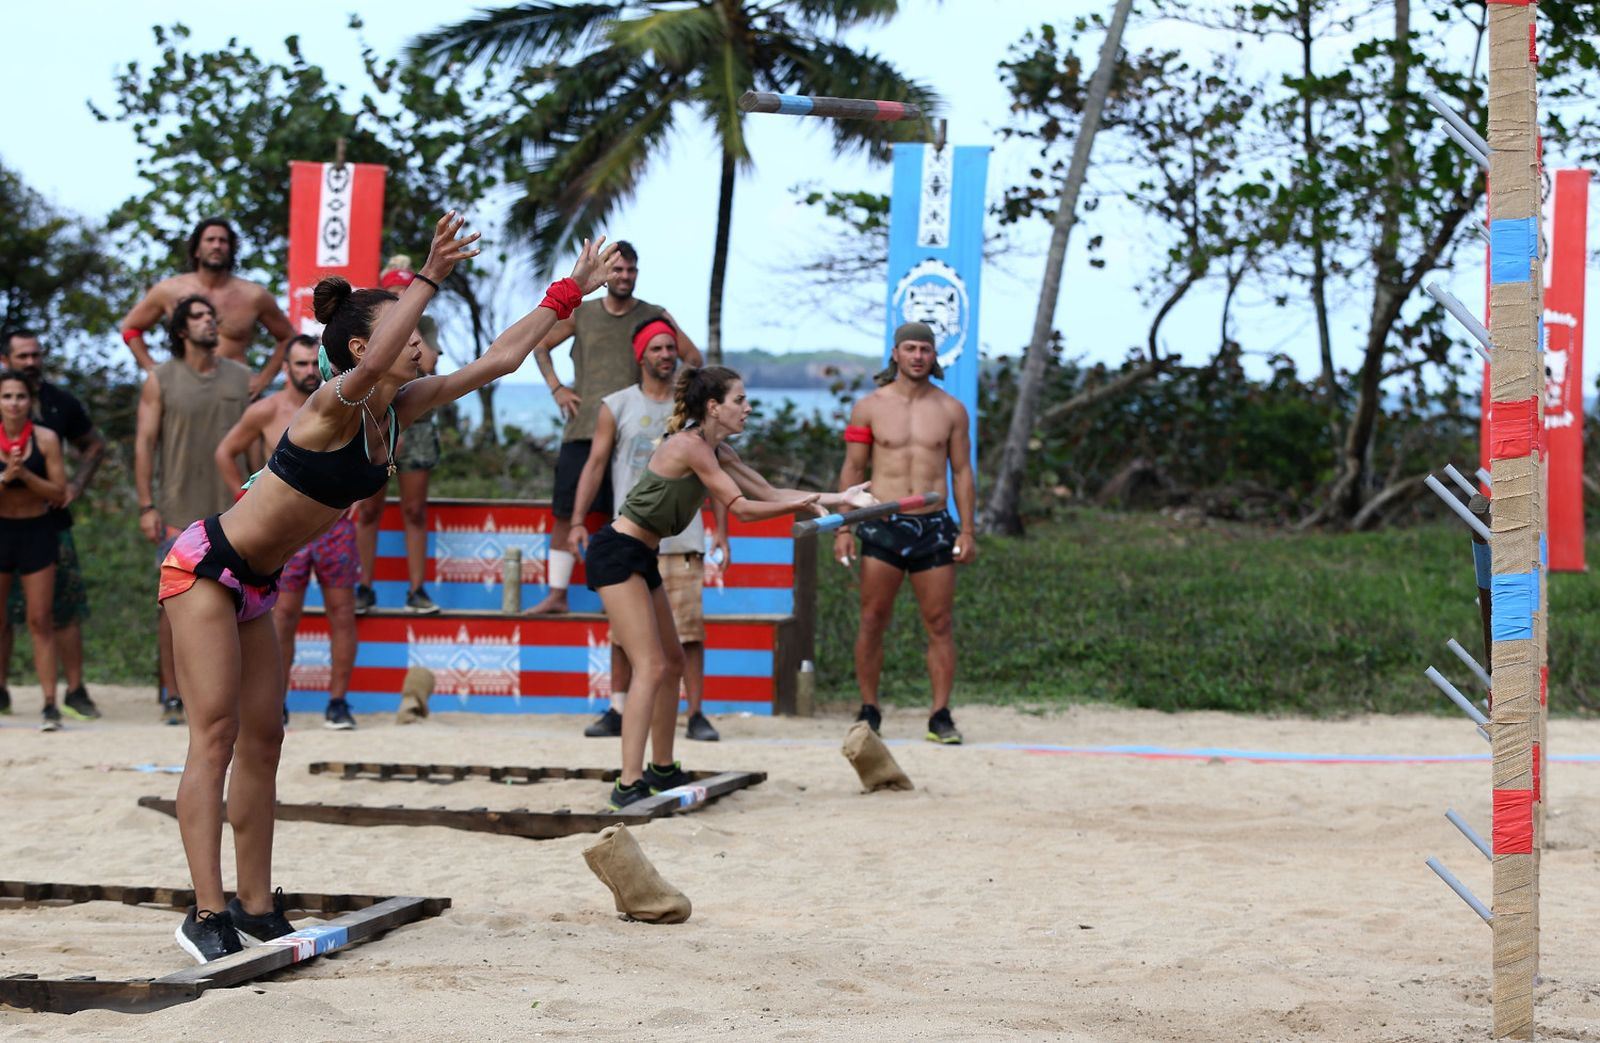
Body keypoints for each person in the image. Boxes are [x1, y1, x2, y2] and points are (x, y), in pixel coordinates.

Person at [157, 211, 618, 963]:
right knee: (215, 737)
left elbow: (502, 359)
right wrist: (428, 272)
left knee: (267, 738)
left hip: (257, 583)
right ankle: (205, 913)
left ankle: (255, 905)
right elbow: (368, 363)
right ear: (363, 346)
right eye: (407, 328)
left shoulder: (398, 411)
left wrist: (569, 291)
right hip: (206, 569)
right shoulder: (332, 403)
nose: (422, 338)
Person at [580, 364, 872, 809]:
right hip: (616, 552)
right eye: (740, 400)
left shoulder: (719, 451)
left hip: (641, 554)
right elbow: (742, 508)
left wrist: (839, 499)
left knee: (673, 660)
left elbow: (769, 492)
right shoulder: (690, 447)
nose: (748, 408)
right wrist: (801, 507)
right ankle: (628, 782)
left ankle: (661, 768)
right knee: (652, 666)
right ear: (713, 407)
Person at [569, 318, 729, 743]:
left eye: (670, 347)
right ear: (640, 355)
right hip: (632, 540)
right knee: (627, 640)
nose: (665, 355)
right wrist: (575, 521)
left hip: (684, 538)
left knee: (687, 638)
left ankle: (694, 714)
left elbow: (724, 484)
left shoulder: (694, 417)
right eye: (656, 348)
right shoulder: (617, 404)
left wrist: (722, 532)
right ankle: (618, 710)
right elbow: (596, 465)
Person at [526, 242, 702, 615]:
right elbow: (539, 344)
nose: (625, 276)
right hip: (583, 428)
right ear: (605, 273)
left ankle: (625, 596)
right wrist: (557, 388)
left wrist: (676, 404)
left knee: (630, 515)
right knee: (565, 512)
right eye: (618, 270)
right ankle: (557, 595)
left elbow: (693, 358)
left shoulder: (654, 314)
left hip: (634, 436)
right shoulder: (583, 313)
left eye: (631, 270)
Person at [833, 322, 977, 745]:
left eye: (925, 349)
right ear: (895, 353)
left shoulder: (952, 410)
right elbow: (854, 470)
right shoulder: (869, 407)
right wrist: (845, 524)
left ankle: (940, 715)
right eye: (910, 348)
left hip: (933, 526)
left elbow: (963, 471)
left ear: (935, 356)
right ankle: (869, 708)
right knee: (873, 619)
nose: (918, 356)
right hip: (882, 524)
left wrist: (967, 529)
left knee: (940, 622)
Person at [215, 335, 360, 730]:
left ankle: (338, 703)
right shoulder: (267, 410)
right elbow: (225, 452)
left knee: (343, 613)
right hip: (284, 530)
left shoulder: (347, 404)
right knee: (282, 616)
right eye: (299, 364)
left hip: (334, 525)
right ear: (285, 369)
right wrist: (246, 496)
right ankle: (275, 703)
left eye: (314, 364)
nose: (308, 371)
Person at [135, 296, 253, 725]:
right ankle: (173, 694)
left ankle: (224, 696)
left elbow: (256, 443)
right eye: (200, 317)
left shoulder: (242, 378)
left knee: (240, 606)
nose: (210, 322)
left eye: (212, 316)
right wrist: (147, 505)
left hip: (235, 516)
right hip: (177, 512)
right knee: (173, 611)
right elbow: (145, 444)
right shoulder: (160, 379)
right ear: (182, 330)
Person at [0, 330, 106, 722]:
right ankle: (2, 691)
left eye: (35, 354)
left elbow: (94, 444)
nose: (30, 361)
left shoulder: (59, 403)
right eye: (21, 355)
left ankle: (73, 691)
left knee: (58, 610)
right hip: (5, 525)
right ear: (6, 359)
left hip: (50, 524)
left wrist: (75, 485)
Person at [353, 258, 443, 614]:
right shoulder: (369, 324)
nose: (403, 299)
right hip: (377, 420)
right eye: (395, 294)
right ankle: (364, 587)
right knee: (368, 509)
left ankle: (417, 590)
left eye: (409, 293)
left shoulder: (426, 324)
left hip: (416, 424)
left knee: (415, 510)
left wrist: (412, 324)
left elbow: (430, 364)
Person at [120, 218, 296, 396]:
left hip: (234, 391)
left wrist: (263, 380)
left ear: (231, 249)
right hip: (183, 390)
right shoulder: (169, 290)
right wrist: (152, 370)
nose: (217, 246)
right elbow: (130, 328)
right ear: (197, 249)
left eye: (223, 241)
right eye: (210, 240)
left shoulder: (253, 295)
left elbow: (288, 337)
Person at [0, 370, 68, 730]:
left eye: (20, 396)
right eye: (7, 396)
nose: (14, 403)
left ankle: (49, 704)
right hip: (1, 528)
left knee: (40, 619)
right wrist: (5, 479)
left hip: (37, 530)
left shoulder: (45, 439)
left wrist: (25, 476)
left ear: (31, 401)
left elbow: (59, 493)